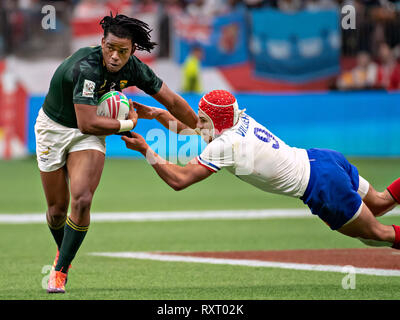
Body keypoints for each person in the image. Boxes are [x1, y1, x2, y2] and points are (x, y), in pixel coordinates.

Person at [35, 13, 198, 294]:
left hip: (91, 134)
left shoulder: (135, 68)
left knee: (83, 199)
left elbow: (171, 100)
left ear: (133, 50)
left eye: (122, 51)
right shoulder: (87, 67)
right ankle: (65, 254)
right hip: (54, 127)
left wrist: (204, 130)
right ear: (102, 42)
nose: (114, 56)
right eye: (110, 48)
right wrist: (129, 124)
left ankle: (60, 270)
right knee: (56, 211)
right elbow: (86, 121)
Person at [122, 89, 400, 252]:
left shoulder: (225, 144)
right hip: (325, 161)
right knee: (379, 202)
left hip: (323, 187)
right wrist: (157, 114)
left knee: (375, 234)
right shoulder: (239, 120)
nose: (198, 118)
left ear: (214, 120)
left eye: (202, 114)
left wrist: (147, 149)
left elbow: (179, 180)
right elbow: (193, 127)